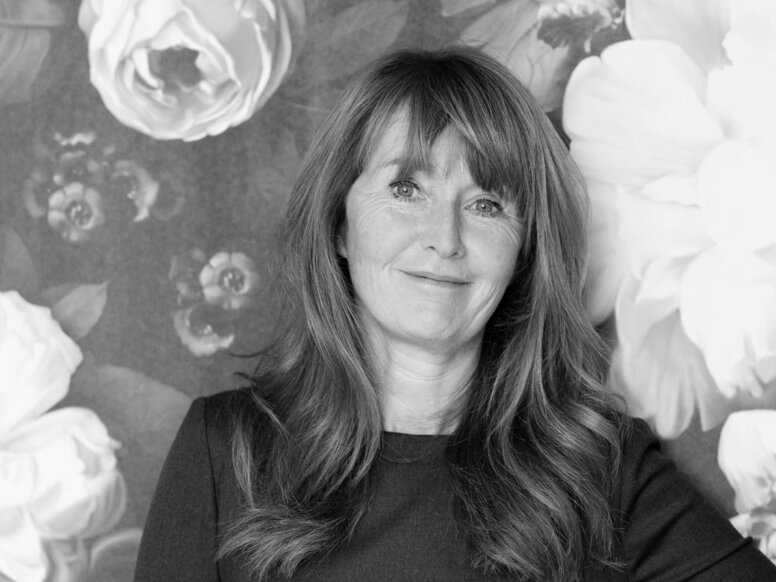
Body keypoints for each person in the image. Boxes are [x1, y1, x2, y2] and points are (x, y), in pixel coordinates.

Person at [134, 47, 776, 582]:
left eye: (486, 205)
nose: (444, 238)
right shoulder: (225, 450)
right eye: (406, 189)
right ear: (340, 223)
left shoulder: (601, 469)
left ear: (524, 252)